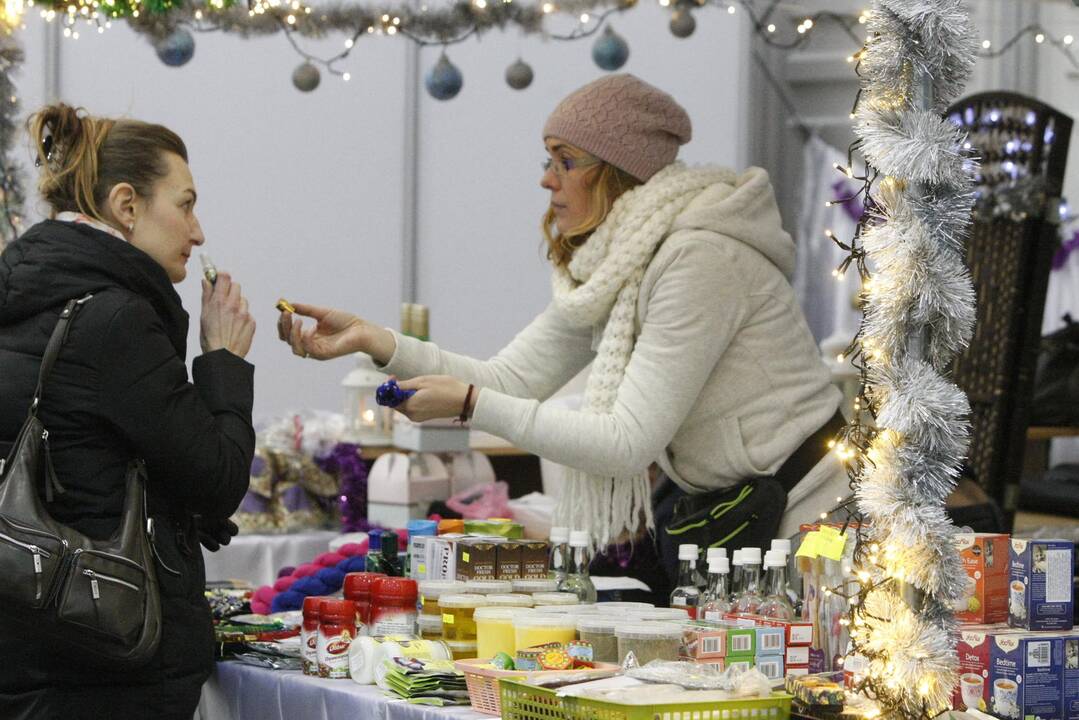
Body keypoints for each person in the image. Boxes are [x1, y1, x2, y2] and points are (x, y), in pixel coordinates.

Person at [277, 74, 847, 595]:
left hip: (807, 518)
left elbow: (626, 440)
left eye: (565, 160)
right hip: (740, 516)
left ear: (617, 170)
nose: (547, 179)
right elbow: (512, 378)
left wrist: (473, 405)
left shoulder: (700, 257)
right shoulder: (623, 259)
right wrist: (376, 342)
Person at [0, 104, 256, 719]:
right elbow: (216, 478)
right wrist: (222, 361)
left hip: (27, 642)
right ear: (127, 205)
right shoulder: (116, 322)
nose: (197, 232)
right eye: (186, 205)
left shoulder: (26, 298)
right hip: (106, 657)